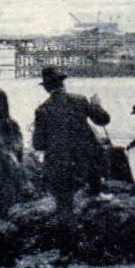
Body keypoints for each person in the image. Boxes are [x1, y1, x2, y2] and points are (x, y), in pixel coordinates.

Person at [32, 65, 111, 212]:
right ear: (63, 83)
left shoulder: (42, 110)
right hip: (86, 166)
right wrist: (97, 105)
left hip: (59, 168)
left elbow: (38, 144)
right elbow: (103, 120)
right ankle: (97, 193)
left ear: (46, 88)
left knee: (64, 207)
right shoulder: (80, 100)